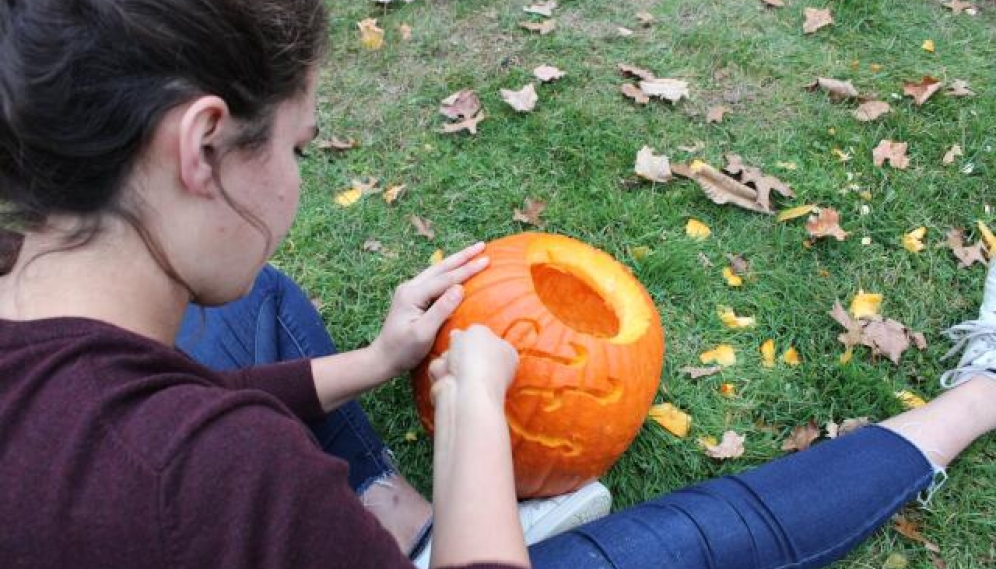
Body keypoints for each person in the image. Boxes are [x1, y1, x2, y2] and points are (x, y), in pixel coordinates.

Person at [0, 1, 994, 568]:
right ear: (204, 145)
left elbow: (141, 399)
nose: (302, 180)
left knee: (259, 300)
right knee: (703, 531)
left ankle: (393, 504)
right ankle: (983, 393)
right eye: (298, 145)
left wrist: (381, 360)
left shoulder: (63, 358)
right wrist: (473, 398)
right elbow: (185, 440)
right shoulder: (218, 473)